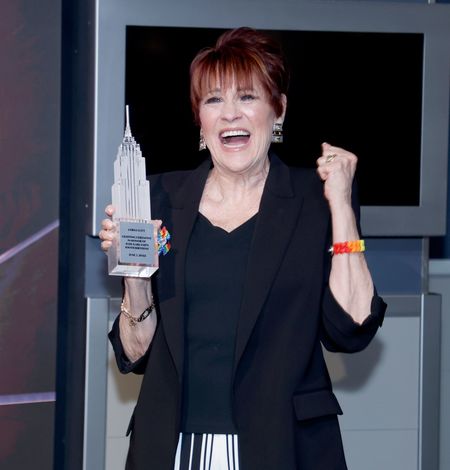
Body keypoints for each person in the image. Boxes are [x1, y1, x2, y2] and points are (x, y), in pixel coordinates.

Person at [99, 27, 387, 470]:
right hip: (170, 448)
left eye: (248, 97)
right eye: (214, 100)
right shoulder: (156, 199)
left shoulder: (316, 199)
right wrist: (134, 274)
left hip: (284, 448)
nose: (230, 115)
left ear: (279, 111)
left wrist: (342, 206)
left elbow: (350, 330)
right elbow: (135, 354)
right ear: (200, 118)